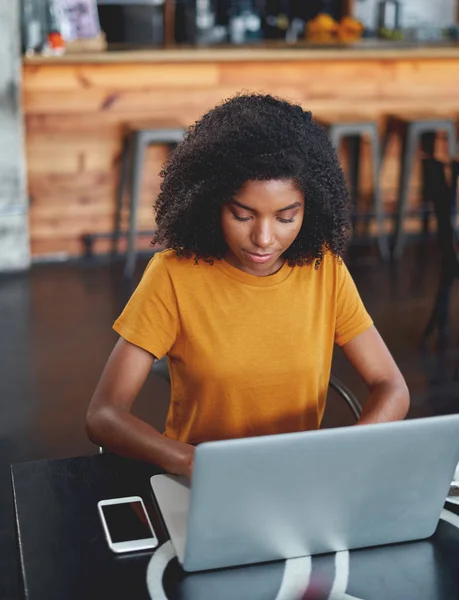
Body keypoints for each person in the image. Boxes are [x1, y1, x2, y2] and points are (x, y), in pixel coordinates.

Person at [86, 93, 409, 478]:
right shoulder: (173, 276)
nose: (264, 238)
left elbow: (392, 386)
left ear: (311, 208)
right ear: (210, 202)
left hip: (298, 479)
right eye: (242, 215)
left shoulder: (326, 270)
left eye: (287, 217)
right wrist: (191, 462)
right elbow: (104, 414)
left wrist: (344, 453)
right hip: (201, 480)